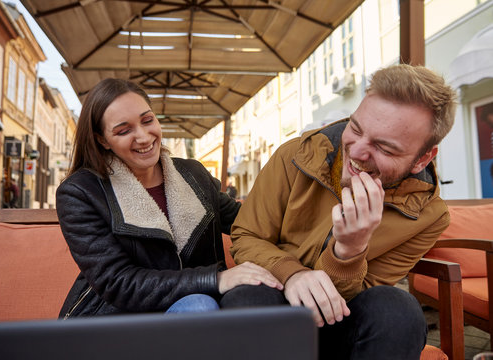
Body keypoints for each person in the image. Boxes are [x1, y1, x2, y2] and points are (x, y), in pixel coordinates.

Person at [221, 64, 457, 360]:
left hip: (342, 318)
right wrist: (293, 273)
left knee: (399, 311)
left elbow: (368, 292)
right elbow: (247, 235)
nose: (356, 152)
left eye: (384, 147)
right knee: (246, 298)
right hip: (274, 297)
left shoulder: (429, 217)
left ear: (422, 158)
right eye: (355, 128)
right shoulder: (293, 156)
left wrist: (349, 251)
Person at [56, 78, 282, 319]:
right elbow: (119, 283)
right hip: (115, 320)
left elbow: (250, 222)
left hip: (195, 314)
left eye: (147, 120)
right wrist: (215, 279)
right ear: (102, 139)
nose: (143, 136)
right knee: (199, 306)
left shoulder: (193, 175)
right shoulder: (80, 192)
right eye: (124, 130)